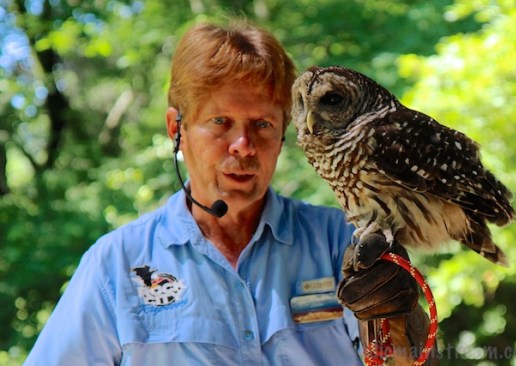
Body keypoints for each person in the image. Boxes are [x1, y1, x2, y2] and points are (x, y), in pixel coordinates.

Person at [25, 20, 432, 365]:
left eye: (262, 124)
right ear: (176, 129)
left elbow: (403, 357)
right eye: (220, 122)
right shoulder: (116, 264)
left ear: (284, 133)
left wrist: (398, 322)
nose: (243, 145)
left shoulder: (343, 242)